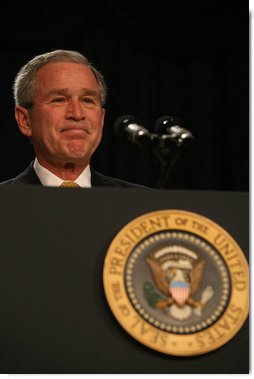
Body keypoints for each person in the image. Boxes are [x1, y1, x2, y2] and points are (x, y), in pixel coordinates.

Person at [0, 49, 144, 188]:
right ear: (25, 120)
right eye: (59, 100)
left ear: (101, 119)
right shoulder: (5, 202)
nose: (76, 114)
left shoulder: (143, 204)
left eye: (87, 100)